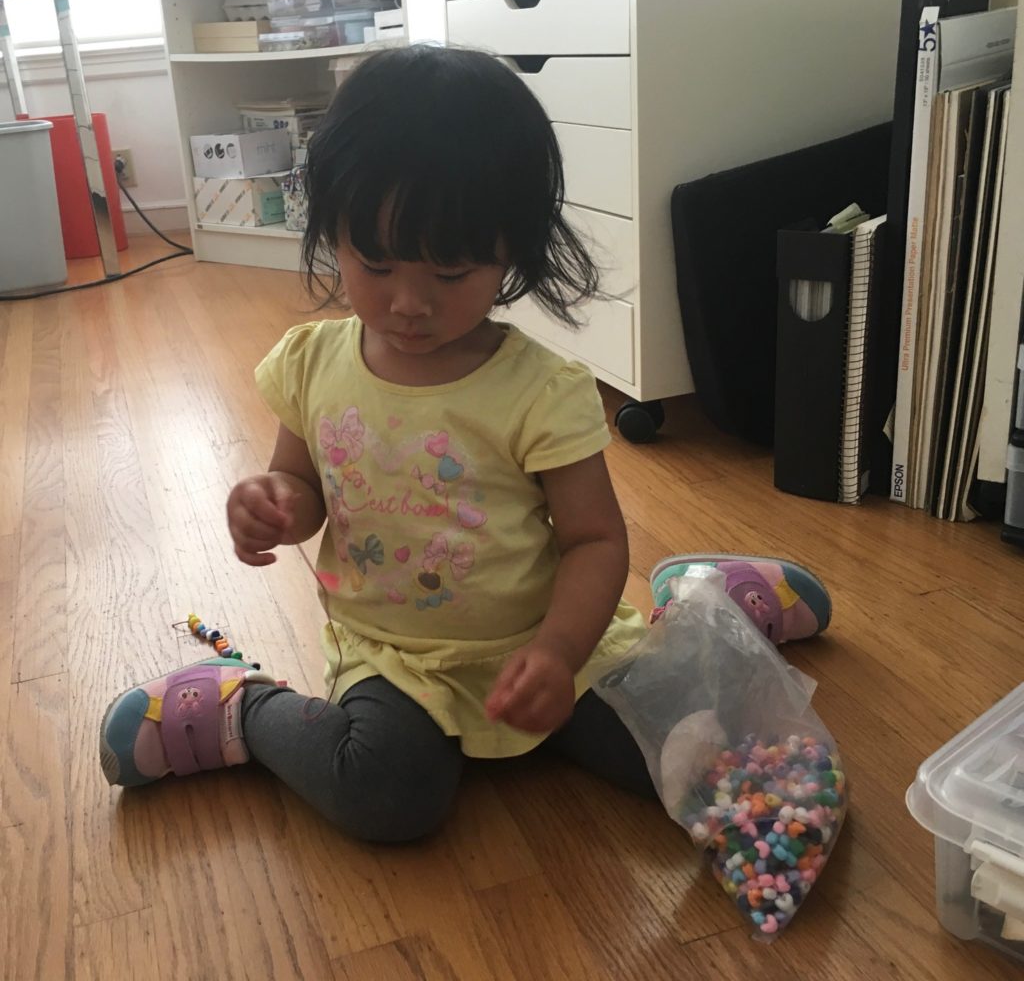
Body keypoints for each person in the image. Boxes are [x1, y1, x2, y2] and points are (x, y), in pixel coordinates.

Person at [99, 45, 830, 842]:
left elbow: (591, 539)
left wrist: (557, 650)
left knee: (690, 756)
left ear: (509, 250)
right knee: (386, 795)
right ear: (330, 232)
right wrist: (276, 504)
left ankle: (702, 607)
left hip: (548, 641)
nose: (409, 303)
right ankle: (243, 709)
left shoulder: (540, 390)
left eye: (450, 273)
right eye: (374, 264)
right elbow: (302, 487)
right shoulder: (312, 367)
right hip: (394, 659)